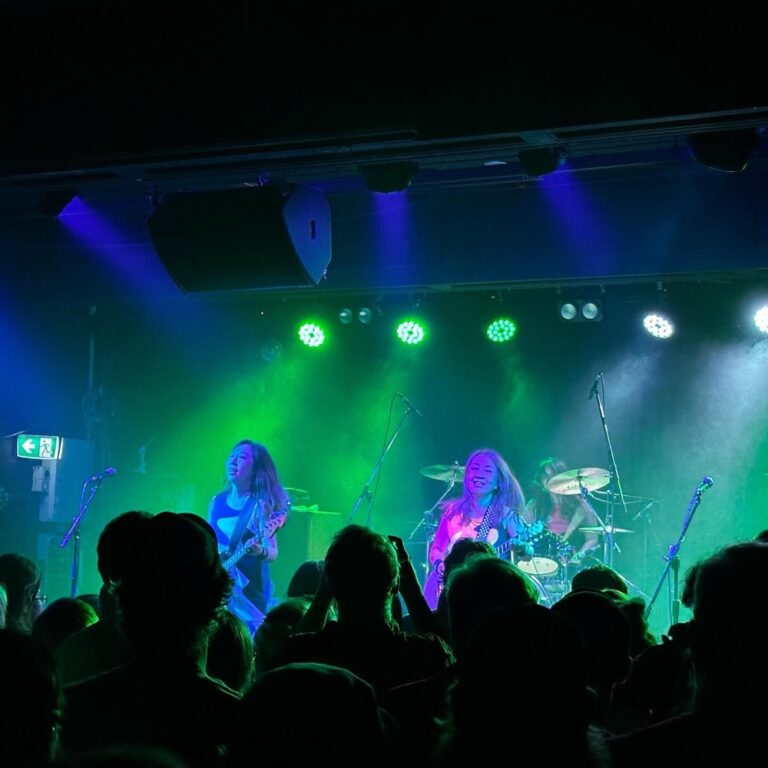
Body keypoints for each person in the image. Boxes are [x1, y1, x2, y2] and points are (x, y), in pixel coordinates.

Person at [425, 448, 526, 610]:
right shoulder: (451, 512)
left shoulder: (506, 515)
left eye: (487, 471)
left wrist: (523, 548)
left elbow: (527, 556)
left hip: (491, 593)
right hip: (450, 590)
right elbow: (437, 548)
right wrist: (439, 565)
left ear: (497, 482)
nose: (479, 474)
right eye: (474, 469)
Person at [208, 440, 290, 634]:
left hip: (248, 591)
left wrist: (259, 550)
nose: (233, 461)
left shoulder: (260, 505)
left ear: (255, 469)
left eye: (242, 457)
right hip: (220, 585)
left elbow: (273, 553)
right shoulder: (216, 501)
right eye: (231, 456)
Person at [523, 456, 601, 566]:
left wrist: (577, 558)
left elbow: (592, 539)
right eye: (545, 476)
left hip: (569, 564)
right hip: (540, 563)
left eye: (553, 475)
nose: (548, 479)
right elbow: (521, 533)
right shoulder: (535, 505)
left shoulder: (580, 505)